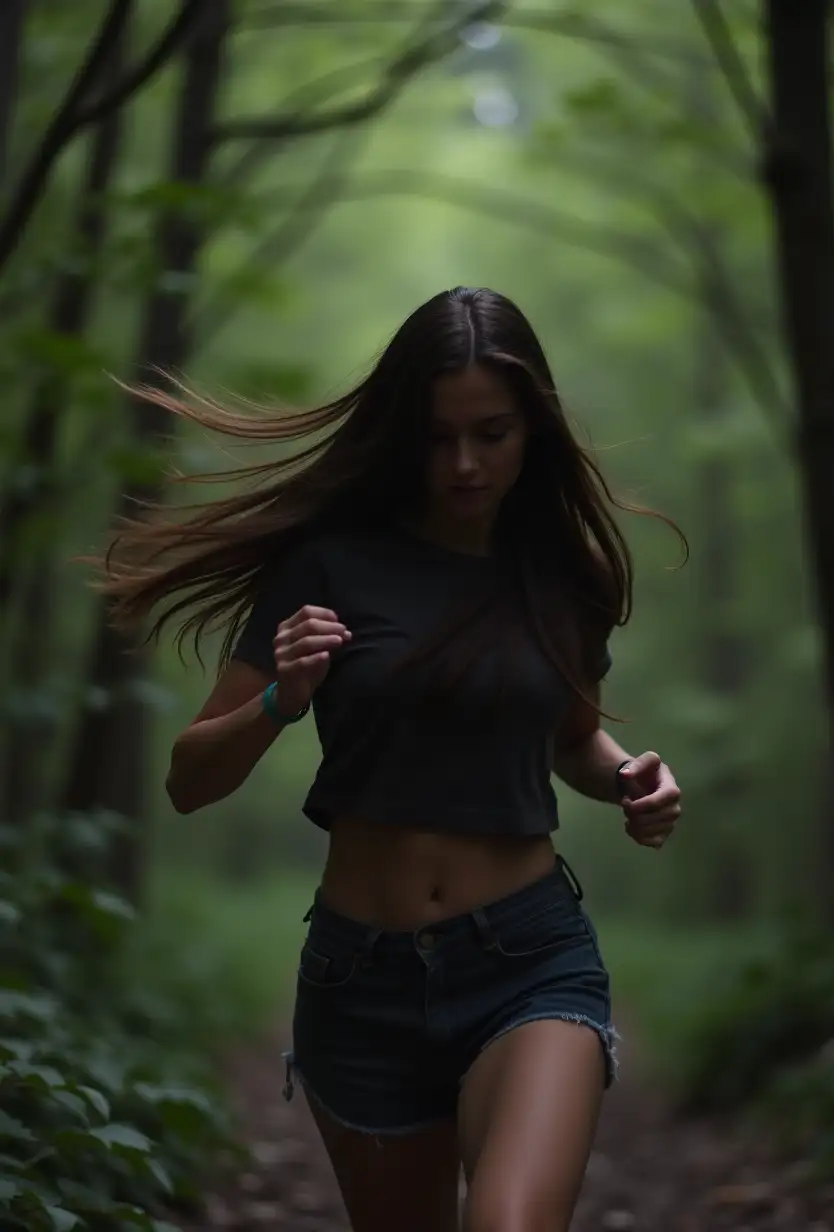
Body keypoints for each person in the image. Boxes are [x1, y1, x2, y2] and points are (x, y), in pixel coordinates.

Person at [97, 287, 683, 1232]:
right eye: (436, 437)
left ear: (533, 428)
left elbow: (572, 737)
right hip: (360, 981)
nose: (464, 462)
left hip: (529, 961)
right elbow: (189, 780)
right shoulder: (331, 564)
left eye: (491, 434)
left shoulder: (563, 577)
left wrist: (628, 780)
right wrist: (283, 699)